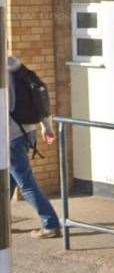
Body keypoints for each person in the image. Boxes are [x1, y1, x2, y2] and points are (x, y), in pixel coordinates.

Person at [8, 55, 60, 237]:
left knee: (26, 183)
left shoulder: (2, 73)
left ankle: (51, 224)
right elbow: (38, 97)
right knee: (7, 181)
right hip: (28, 132)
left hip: (11, 136)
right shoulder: (17, 67)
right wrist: (47, 127)